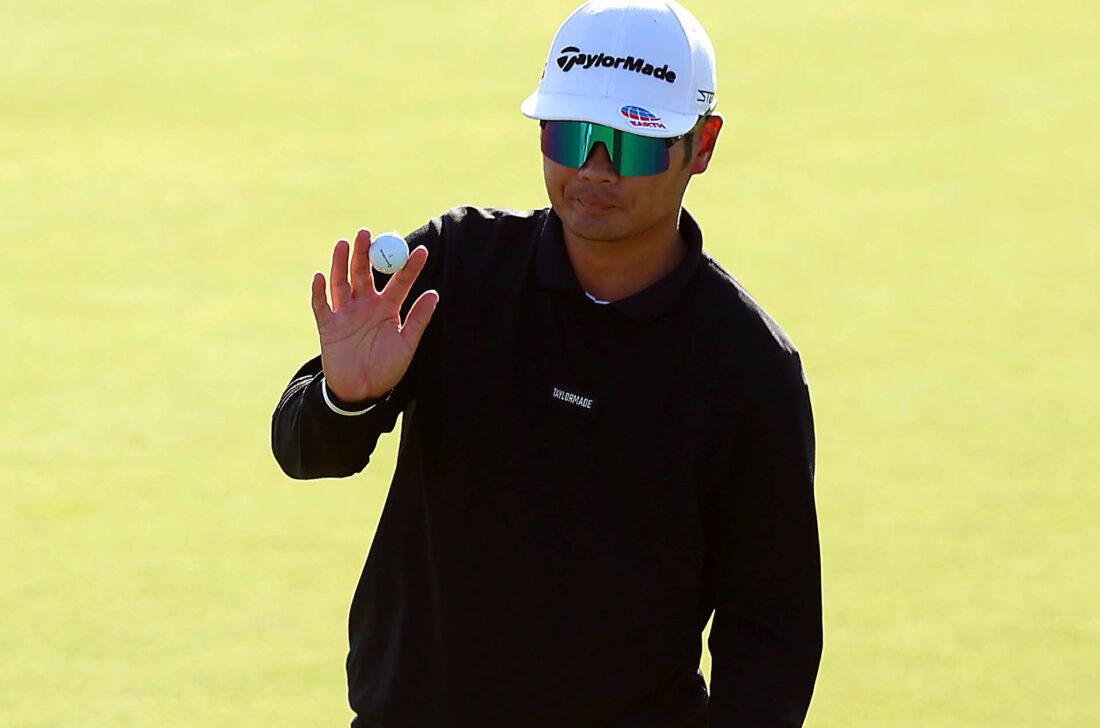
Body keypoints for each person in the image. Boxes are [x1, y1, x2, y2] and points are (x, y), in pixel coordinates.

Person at [271, 1, 822, 726]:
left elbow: (771, 633)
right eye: (571, 133)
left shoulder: (751, 368)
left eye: (632, 142)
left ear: (705, 144)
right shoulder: (453, 270)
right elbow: (304, 451)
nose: (594, 169)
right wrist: (345, 399)